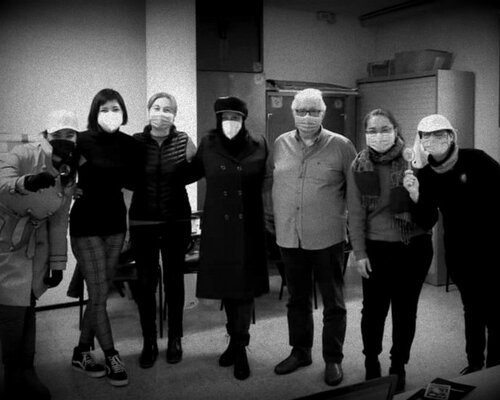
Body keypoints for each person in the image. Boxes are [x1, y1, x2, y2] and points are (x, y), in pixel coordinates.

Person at [271, 88, 356, 386]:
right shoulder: (280, 144)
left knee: (333, 301)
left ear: (323, 113)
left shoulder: (342, 146)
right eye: (301, 111)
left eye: (314, 111)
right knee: (297, 299)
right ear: (293, 112)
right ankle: (300, 351)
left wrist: (356, 237)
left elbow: (355, 195)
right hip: (289, 237)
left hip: (327, 239)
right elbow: (272, 183)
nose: (307, 117)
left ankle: (333, 359)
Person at [403, 114, 500, 375]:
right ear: (420, 140)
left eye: (439, 134)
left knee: (495, 312)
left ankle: (494, 370)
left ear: (451, 136)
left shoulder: (476, 159)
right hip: (460, 252)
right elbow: (427, 220)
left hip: (493, 249)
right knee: (472, 310)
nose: (433, 140)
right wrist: (415, 195)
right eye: (426, 136)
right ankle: (475, 364)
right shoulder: (426, 175)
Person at [347, 108, 434, 393]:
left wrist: (416, 193)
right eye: (372, 131)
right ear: (365, 134)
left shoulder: (415, 161)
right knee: (373, 311)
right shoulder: (358, 165)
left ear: (396, 130)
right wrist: (359, 253)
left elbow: (429, 210)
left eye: (385, 129)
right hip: (376, 249)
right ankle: (371, 361)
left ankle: (398, 365)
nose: (379, 135)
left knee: (405, 311)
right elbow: (355, 214)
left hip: (413, 247)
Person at [188, 96, 269, 380]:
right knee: (228, 287)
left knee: (244, 290)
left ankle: (240, 346)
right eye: (225, 118)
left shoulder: (259, 145)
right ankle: (234, 341)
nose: (230, 123)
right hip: (220, 229)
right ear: (218, 120)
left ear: (244, 119)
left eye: (235, 117)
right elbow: (187, 174)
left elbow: (269, 181)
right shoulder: (208, 144)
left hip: (249, 228)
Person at [0, 109, 79, 400]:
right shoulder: (24, 153)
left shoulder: (69, 169)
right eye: (58, 134)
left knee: (29, 305)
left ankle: (28, 369)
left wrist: (58, 263)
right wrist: (26, 182)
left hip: (40, 243)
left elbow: (59, 221)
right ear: (47, 133)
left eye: (70, 134)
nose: (65, 139)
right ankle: (12, 374)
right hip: (9, 241)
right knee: (12, 309)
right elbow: (2, 180)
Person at [69, 88, 139, 387]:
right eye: (104, 109)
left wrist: (128, 226)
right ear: (94, 112)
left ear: (123, 111)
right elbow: (59, 171)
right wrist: (67, 189)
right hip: (85, 225)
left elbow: (130, 188)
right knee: (99, 296)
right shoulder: (81, 140)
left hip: (115, 225)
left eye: (115, 108)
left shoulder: (129, 143)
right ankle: (111, 355)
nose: (111, 114)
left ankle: (81, 352)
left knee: (98, 294)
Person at [129, 92, 196, 368]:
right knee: (145, 284)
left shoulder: (184, 141)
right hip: (142, 222)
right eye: (156, 108)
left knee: (174, 282)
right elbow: (121, 176)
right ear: (148, 111)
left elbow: (198, 171)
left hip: (175, 221)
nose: (161, 113)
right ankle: (149, 341)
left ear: (174, 115)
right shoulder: (135, 142)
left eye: (168, 109)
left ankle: (175, 339)